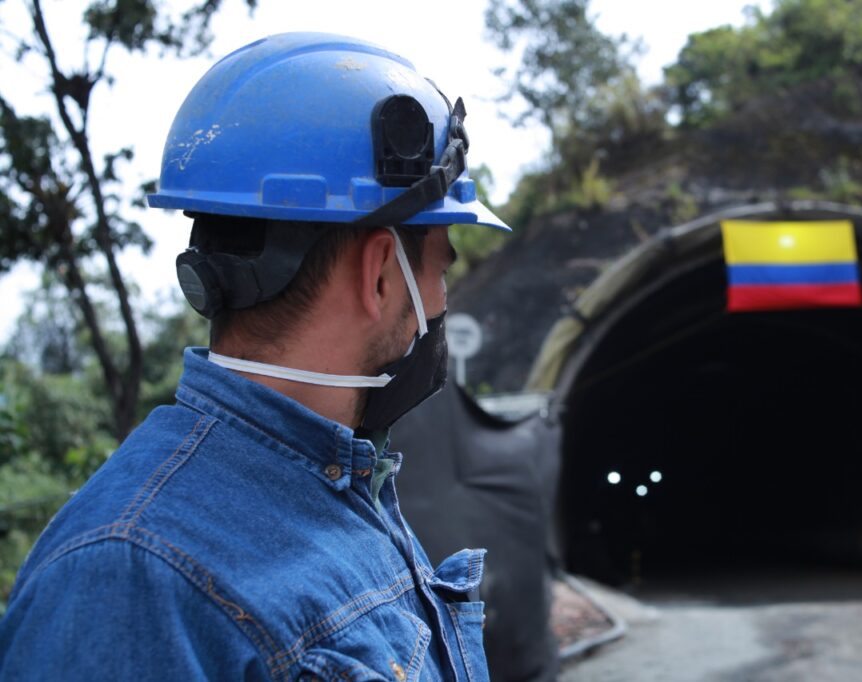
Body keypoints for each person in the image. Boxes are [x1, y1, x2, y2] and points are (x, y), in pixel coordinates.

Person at [0, 32, 509, 680]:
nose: (442, 299)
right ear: (381, 272)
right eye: (441, 267)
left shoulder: (343, 478)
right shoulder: (129, 577)